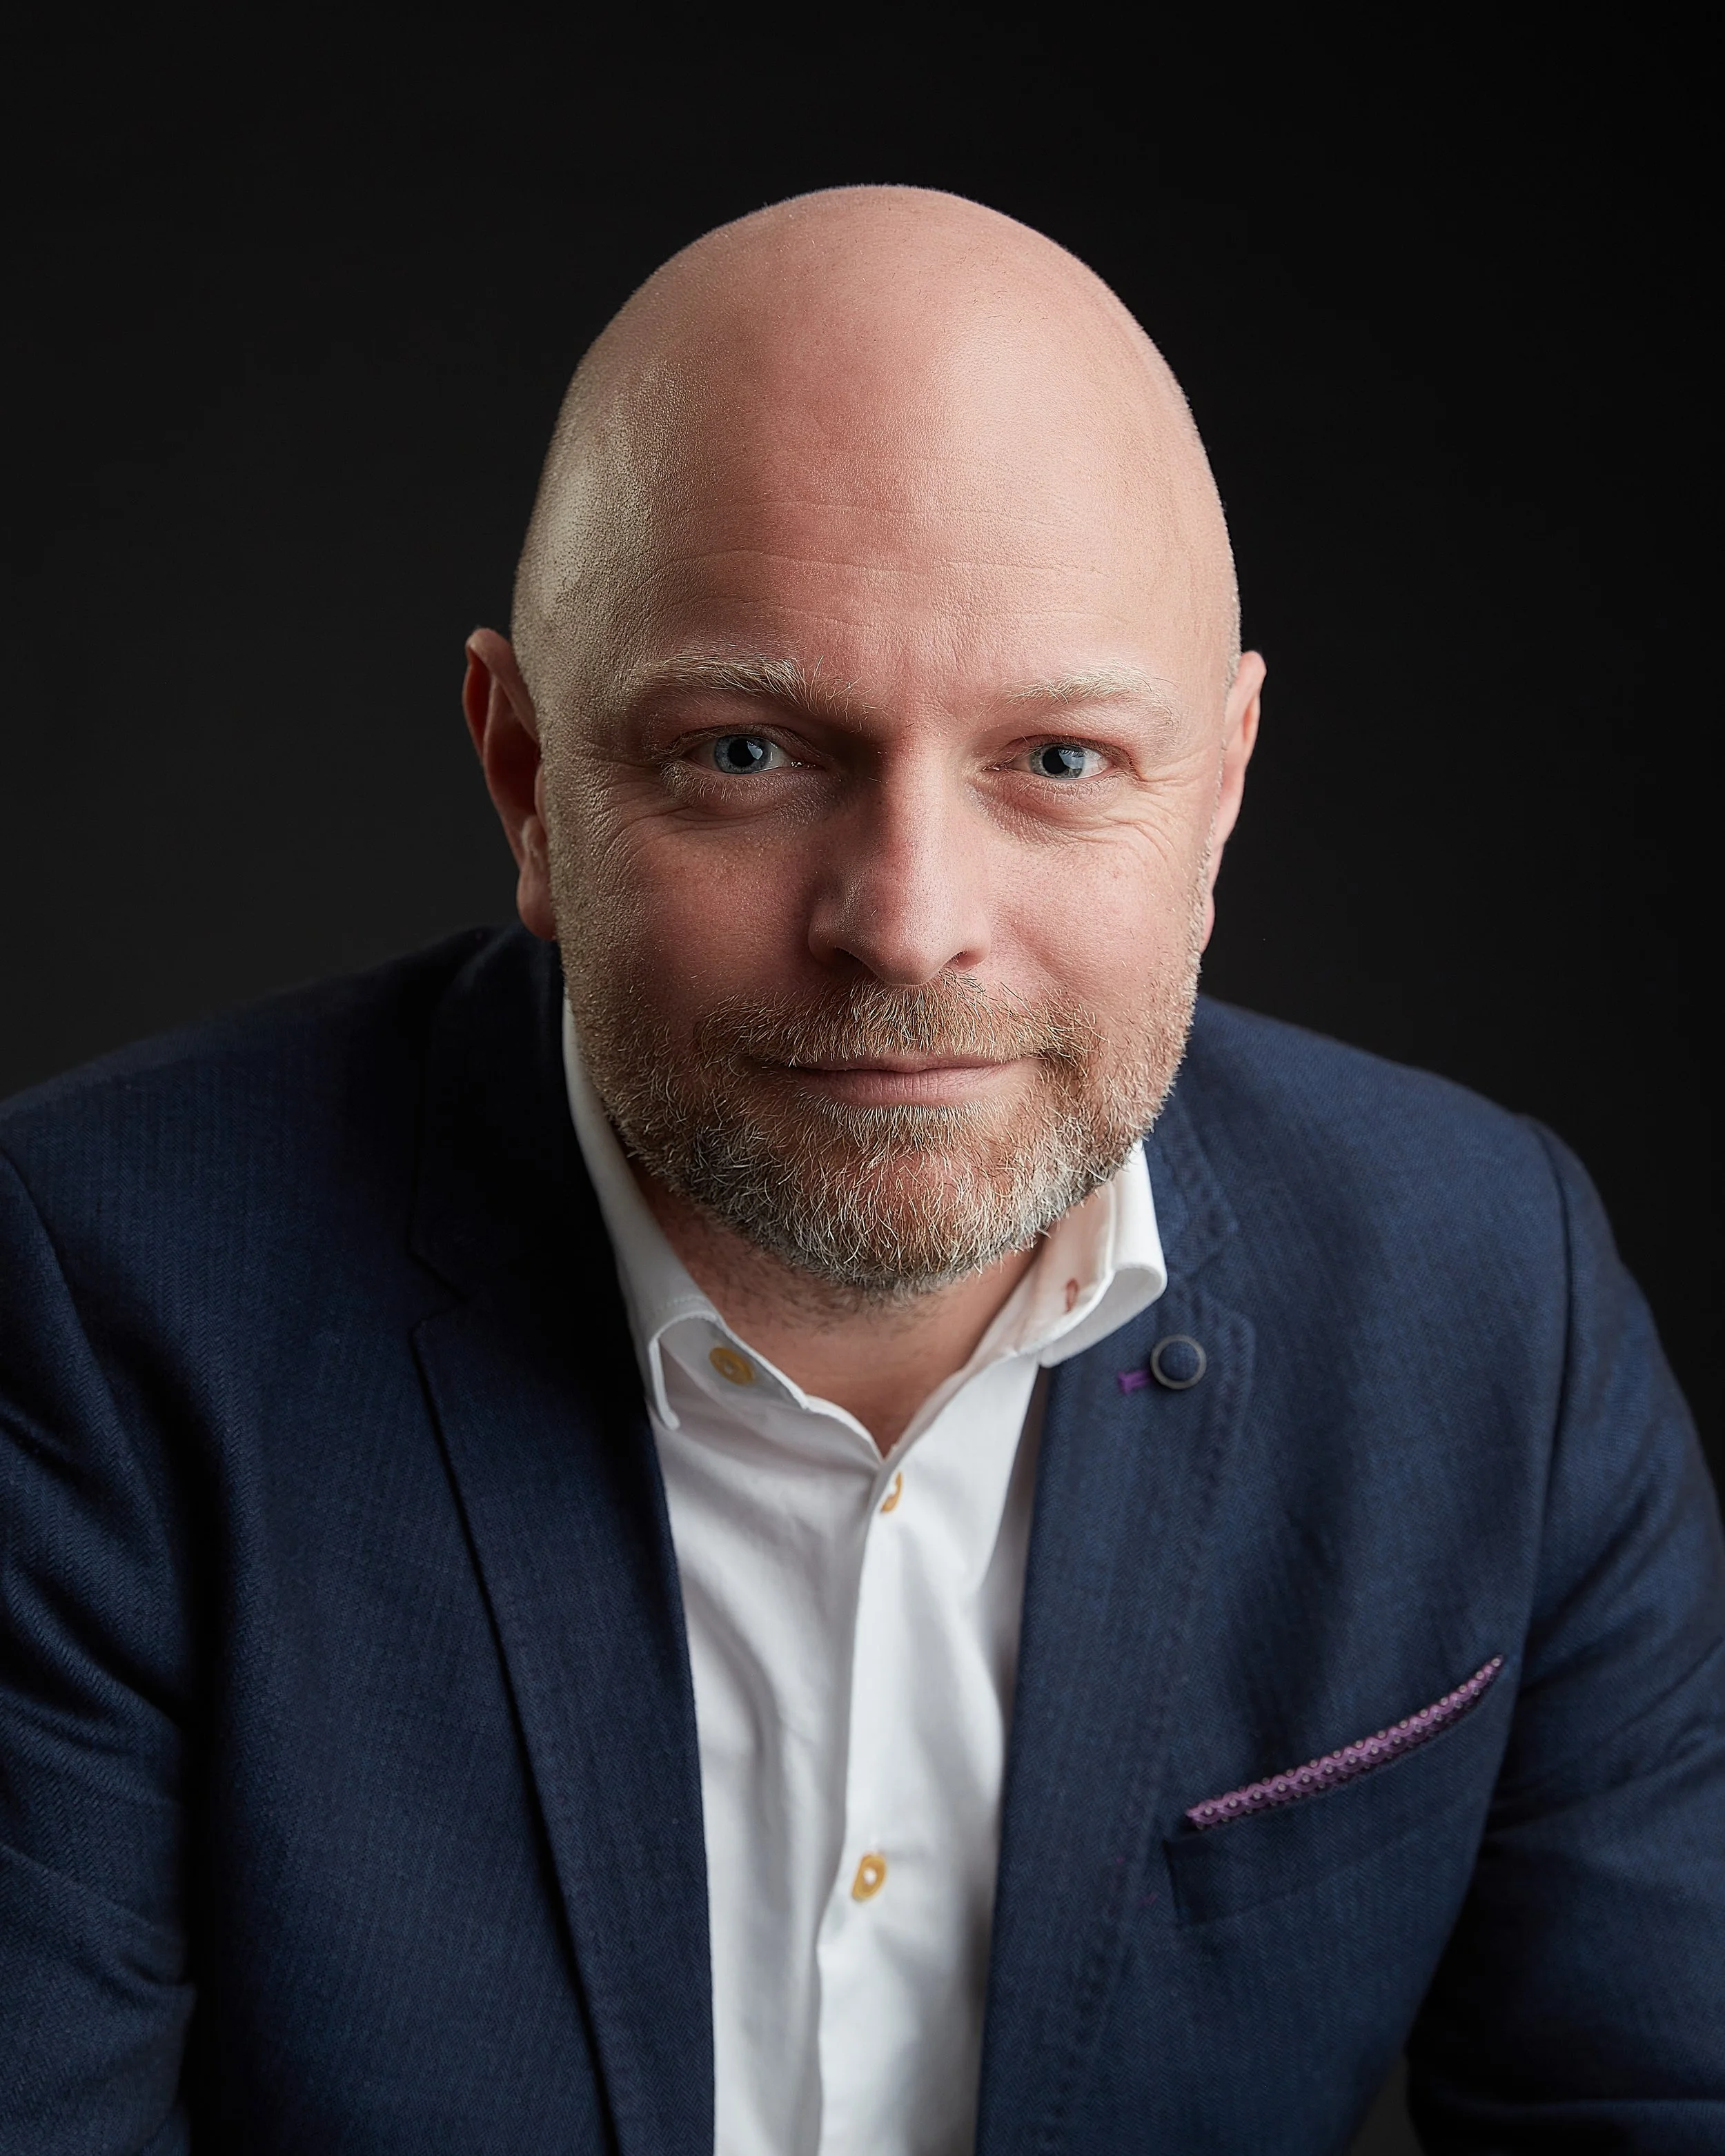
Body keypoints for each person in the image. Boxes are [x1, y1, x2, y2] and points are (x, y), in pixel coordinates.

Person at [1, 185, 1719, 2156]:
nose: (907, 925)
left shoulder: (1497, 1298)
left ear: (1219, 792)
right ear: (527, 780)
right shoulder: (88, 1307)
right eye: (746, 752)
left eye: (1056, 760)